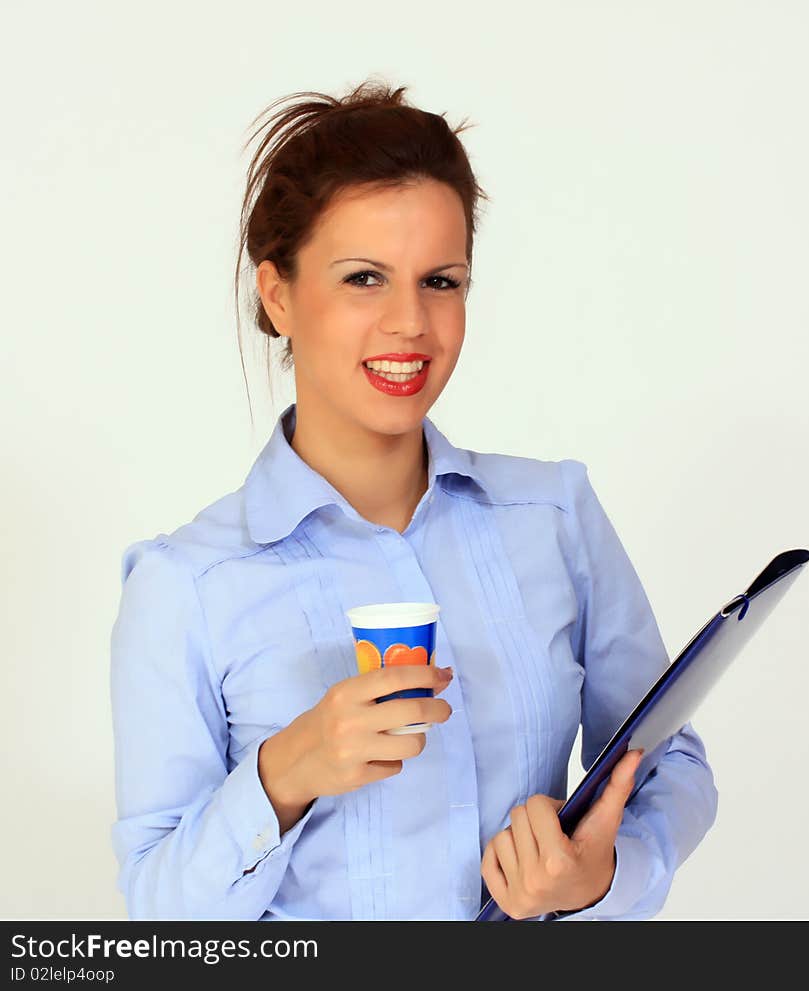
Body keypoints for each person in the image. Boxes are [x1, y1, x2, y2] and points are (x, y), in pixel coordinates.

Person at [110, 79, 718, 922]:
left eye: (441, 280)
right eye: (364, 278)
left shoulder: (553, 517)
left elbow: (668, 760)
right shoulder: (185, 585)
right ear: (278, 295)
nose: (411, 323)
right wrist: (283, 774)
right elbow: (158, 910)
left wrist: (601, 877)